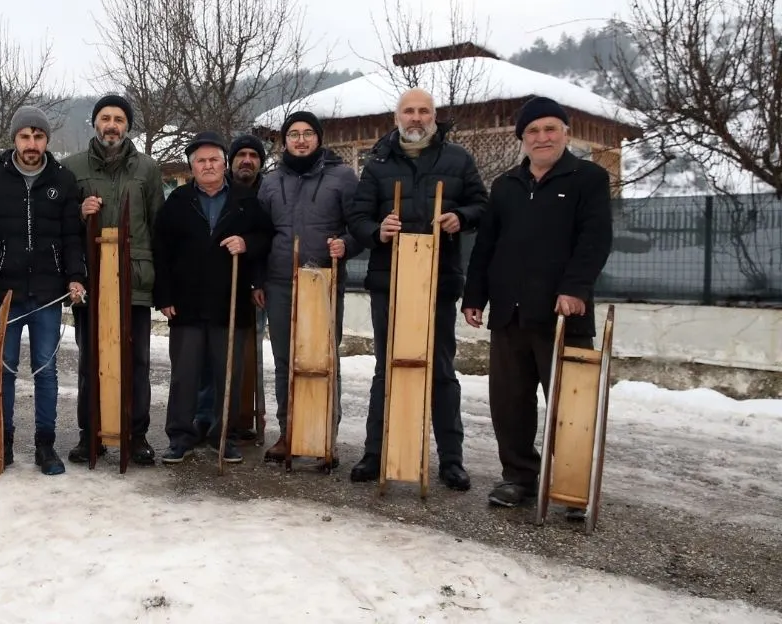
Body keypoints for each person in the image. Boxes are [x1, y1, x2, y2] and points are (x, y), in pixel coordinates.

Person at [461, 95, 613, 510]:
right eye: (533, 131)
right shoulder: (506, 186)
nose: (542, 137)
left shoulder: (588, 178)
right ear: (522, 139)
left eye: (550, 129)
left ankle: (571, 485)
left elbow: (595, 240)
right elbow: (486, 246)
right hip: (509, 313)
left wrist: (576, 289)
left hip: (563, 314)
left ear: (565, 133)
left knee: (570, 404)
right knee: (509, 404)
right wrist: (474, 297)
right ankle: (518, 478)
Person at [346, 88, 488, 491]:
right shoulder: (377, 163)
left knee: (441, 370)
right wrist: (378, 231)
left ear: (434, 117)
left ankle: (451, 461)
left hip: (437, 281)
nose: (416, 118)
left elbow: (482, 205)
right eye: (408, 111)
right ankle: (376, 453)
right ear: (397, 118)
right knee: (385, 368)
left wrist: (461, 216)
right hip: (389, 281)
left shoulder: (458, 159)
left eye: (423, 111)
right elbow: (357, 216)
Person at [0, 106, 86, 476]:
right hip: (5, 292)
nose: (31, 144)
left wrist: (76, 276)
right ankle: (5, 440)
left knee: (46, 372)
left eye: (38, 137)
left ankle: (45, 445)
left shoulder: (63, 180)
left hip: (48, 293)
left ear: (47, 140)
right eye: (24, 136)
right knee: (4, 370)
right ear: (14, 139)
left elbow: (71, 237)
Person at [154, 131, 272, 464]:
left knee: (228, 375)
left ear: (225, 164)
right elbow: (160, 251)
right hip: (186, 303)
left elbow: (267, 236)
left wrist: (246, 243)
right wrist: (164, 295)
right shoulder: (177, 202)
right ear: (192, 167)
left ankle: (225, 436)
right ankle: (180, 436)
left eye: (214, 160)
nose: (208, 166)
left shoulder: (245, 199)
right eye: (201, 161)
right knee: (185, 375)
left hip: (230, 301)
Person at [63, 94, 164, 466]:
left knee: (136, 362)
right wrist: (79, 212)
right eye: (105, 117)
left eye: (119, 118)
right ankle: (90, 433)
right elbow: (62, 227)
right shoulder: (72, 168)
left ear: (128, 125)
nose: (112, 124)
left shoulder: (148, 169)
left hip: (135, 281)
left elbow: (157, 226)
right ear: (94, 123)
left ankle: (136, 435)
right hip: (91, 282)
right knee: (92, 359)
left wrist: (160, 281)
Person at [256, 111, 361, 463]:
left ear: (318, 138)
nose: (300, 140)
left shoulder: (343, 177)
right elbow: (260, 233)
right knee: (286, 359)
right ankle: (289, 432)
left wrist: (345, 244)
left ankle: (323, 436)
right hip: (281, 281)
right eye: (293, 134)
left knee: (323, 358)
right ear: (284, 141)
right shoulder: (270, 182)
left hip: (323, 280)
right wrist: (259, 279)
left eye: (307, 134)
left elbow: (360, 226)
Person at [194, 133, 268, 443]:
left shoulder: (265, 193)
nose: (247, 160)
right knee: (209, 359)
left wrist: (258, 279)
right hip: (212, 288)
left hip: (251, 287)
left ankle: (238, 420)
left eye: (253, 155)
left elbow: (267, 238)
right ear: (230, 162)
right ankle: (205, 420)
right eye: (242, 155)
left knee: (248, 357)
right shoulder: (205, 193)